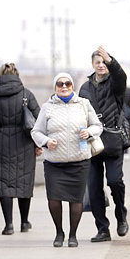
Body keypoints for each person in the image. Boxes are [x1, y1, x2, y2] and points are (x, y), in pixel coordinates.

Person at [31, 73, 103, 248]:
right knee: (54, 199)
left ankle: (72, 235)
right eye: (60, 84)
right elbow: (36, 132)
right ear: (55, 87)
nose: (64, 87)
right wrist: (46, 142)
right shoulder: (47, 108)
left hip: (79, 161)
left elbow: (97, 125)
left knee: (76, 200)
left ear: (72, 86)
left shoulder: (84, 105)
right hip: (54, 162)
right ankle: (59, 232)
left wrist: (89, 132)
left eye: (68, 83)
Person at [78, 45, 129, 243]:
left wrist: (111, 61)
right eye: (97, 62)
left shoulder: (115, 84)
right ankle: (102, 228)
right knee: (94, 188)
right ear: (92, 65)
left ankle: (121, 215)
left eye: (104, 62)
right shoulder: (84, 88)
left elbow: (121, 77)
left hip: (112, 140)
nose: (101, 65)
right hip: (91, 142)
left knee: (115, 181)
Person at [0, 63, 42, 235]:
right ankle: (24, 222)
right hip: (24, 141)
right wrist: (38, 143)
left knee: (4, 184)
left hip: (0, 141)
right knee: (23, 182)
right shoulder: (26, 94)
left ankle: (8, 225)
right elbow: (39, 120)